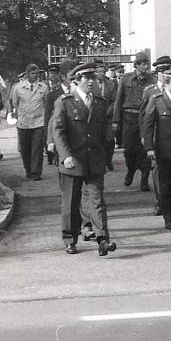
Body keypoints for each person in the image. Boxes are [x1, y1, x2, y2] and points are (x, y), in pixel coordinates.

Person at [53, 62, 117, 256]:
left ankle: (103, 240)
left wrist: (107, 155)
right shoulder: (65, 102)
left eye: (93, 78)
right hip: (73, 160)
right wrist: (65, 156)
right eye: (86, 78)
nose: (91, 82)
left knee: (97, 200)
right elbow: (58, 131)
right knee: (71, 202)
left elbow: (106, 132)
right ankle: (70, 239)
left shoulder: (99, 102)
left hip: (95, 159)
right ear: (77, 81)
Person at [142, 67, 171, 230]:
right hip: (164, 151)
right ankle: (168, 217)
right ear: (167, 83)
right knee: (166, 187)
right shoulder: (157, 100)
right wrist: (149, 147)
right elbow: (148, 125)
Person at [112, 52, 153, 191]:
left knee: (145, 148)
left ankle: (144, 179)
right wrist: (116, 120)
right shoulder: (126, 79)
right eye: (143, 64)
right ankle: (131, 170)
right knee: (129, 149)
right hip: (129, 117)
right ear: (137, 65)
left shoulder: (151, 80)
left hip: (146, 117)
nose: (146, 66)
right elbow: (118, 100)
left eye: (147, 63)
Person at [10, 63, 49, 180]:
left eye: (37, 73)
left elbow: (46, 103)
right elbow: (15, 103)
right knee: (25, 149)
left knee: (37, 148)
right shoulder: (18, 88)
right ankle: (28, 170)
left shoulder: (44, 87)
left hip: (39, 122)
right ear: (27, 74)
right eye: (33, 73)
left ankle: (36, 172)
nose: (35, 75)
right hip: (23, 122)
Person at [91, 59, 118, 170]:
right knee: (97, 140)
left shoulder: (110, 84)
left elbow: (114, 100)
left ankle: (108, 160)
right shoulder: (91, 84)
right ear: (95, 73)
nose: (101, 74)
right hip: (95, 116)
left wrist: (109, 110)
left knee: (110, 140)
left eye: (103, 72)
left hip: (107, 117)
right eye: (99, 72)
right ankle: (99, 161)